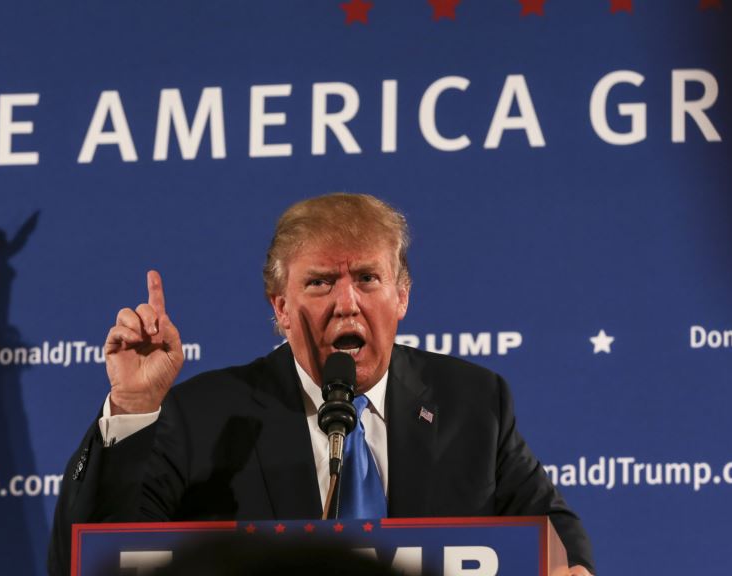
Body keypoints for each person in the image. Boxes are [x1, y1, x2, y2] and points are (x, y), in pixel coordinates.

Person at [48, 193, 595, 575]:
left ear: (401, 295)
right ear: (281, 309)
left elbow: (550, 530)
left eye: (367, 278)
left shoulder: (472, 402)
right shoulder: (208, 415)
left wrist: (567, 567)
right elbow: (99, 556)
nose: (346, 302)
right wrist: (136, 405)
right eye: (320, 283)